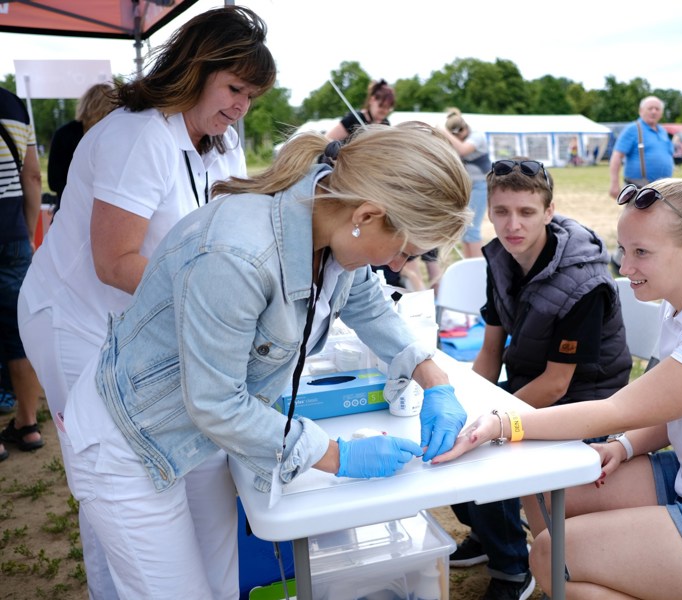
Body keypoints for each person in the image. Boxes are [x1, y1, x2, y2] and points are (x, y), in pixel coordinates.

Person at [60, 123, 472, 597]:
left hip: (198, 433)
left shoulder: (330, 221)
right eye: (403, 251)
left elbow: (367, 302)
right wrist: (336, 456)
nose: (400, 265)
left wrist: (432, 376)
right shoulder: (238, 255)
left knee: (218, 583)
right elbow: (217, 403)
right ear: (368, 214)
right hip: (130, 441)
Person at [435, 179, 682, 600]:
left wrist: (502, 424)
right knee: (546, 487)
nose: (625, 266)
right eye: (623, 249)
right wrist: (622, 447)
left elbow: (619, 409)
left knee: (551, 554)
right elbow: (675, 407)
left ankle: (583, 575)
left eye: (642, 252)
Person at [17, 6, 276, 597]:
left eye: (251, 95)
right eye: (234, 88)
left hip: (138, 315)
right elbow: (115, 263)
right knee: (109, 460)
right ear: (195, 67)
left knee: (172, 440)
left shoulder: (221, 141)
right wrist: (215, 299)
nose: (241, 106)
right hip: (73, 318)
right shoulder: (137, 135)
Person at [450, 158, 632, 600]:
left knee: (486, 455)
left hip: (586, 398)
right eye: (501, 212)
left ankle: (513, 568)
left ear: (549, 212)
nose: (512, 225)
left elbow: (557, 384)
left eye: (527, 212)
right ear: (487, 212)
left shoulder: (583, 281)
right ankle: (490, 534)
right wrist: (470, 406)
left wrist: (489, 421)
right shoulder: (501, 259)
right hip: (534, 385)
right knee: (452, 437)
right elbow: (491, 349)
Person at [0, 87, 44, 463]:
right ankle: (28, 425)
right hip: (13, 234)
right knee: (20, 333)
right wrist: (26, 233)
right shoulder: (13, 105)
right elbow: (32, 177)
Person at [47, 82, 116, 206]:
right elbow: (54, 181)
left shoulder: (63, 133)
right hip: (79, 208)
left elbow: (54, 181)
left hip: (75, 208)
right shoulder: (112, 135)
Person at [442, 108, 491, 258]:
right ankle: (468, 264)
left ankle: (477, 267)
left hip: (480, 186)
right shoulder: (458, 138)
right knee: (464, 229)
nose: (459, 138)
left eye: (458, 134)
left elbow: (463, 150)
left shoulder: (477, 136)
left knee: (473, 229)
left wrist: (444, 132)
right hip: (466, 188)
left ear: (463, 128)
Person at [608, 95, 674, 199]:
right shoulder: (633, 129)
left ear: (661, 113)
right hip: (639, 189)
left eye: (657, 109)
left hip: (662, 189)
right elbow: (617, 156)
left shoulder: (663, 131)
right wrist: (614, 183)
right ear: (641, 111)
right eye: (650, 108)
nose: (654, 111)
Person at [325, 79, 395, 142]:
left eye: (388, 108)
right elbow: (326, 140)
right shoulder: (353, 119)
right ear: (372, 100)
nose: (385, 111)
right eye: (382, 106)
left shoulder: (386, 123)